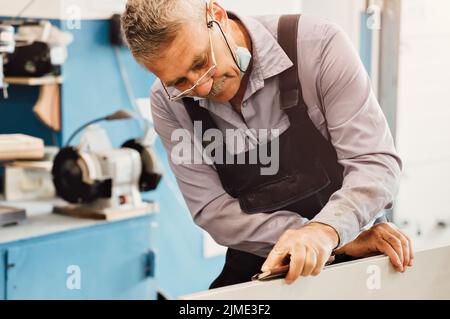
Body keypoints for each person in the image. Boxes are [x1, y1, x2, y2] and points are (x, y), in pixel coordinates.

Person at [121, 0, 413, 288]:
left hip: (360, 241)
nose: (203, 87)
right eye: (181, 82)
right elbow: (213, 210)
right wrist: (311, 239)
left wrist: (328, 231)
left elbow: (375, 163)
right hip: (264, 261)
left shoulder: (318, 45)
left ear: (217, 15)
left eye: (201, 62)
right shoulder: (168, 103)